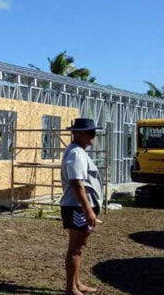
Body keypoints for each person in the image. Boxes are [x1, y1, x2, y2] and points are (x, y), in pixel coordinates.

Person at [60, 118, 103, 295]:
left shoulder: (78, 151)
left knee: (79, 247)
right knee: (76, 248)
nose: (94, 136)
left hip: (79, 207)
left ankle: (77, 284)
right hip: (77, 207)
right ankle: (71, 288)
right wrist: (88, 209)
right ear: (78, 134)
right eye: (90, 132)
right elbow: (77, 183)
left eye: (94, 132)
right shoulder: (76, 153)